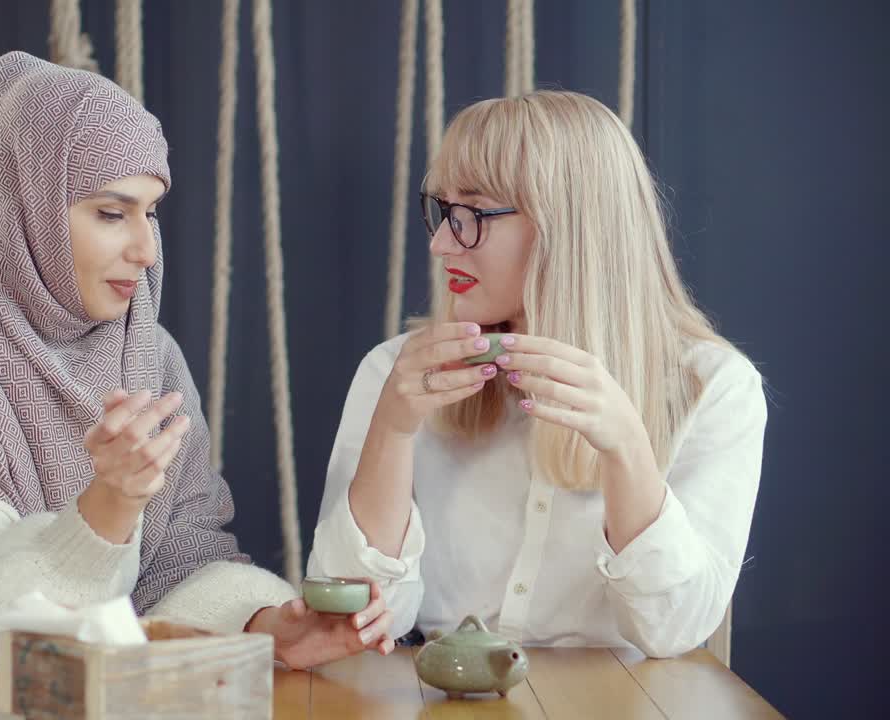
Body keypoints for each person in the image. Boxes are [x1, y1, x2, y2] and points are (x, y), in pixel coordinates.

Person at [0, 52, 392, 719]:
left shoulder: (149, 354)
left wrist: (265, 623)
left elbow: (180, 561)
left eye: (153, 213)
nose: (145, 250)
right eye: (113, 214)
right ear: (23, 207)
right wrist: (109, 507)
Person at [307, 90, 767, 658]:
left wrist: (626, 446)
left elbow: (673, 631)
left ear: (567, 226)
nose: (439, 242)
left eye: (471, 215)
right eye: (442, 211)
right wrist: (392, 431)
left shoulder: (714, 386)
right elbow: (352, 615)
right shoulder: (398, 373)